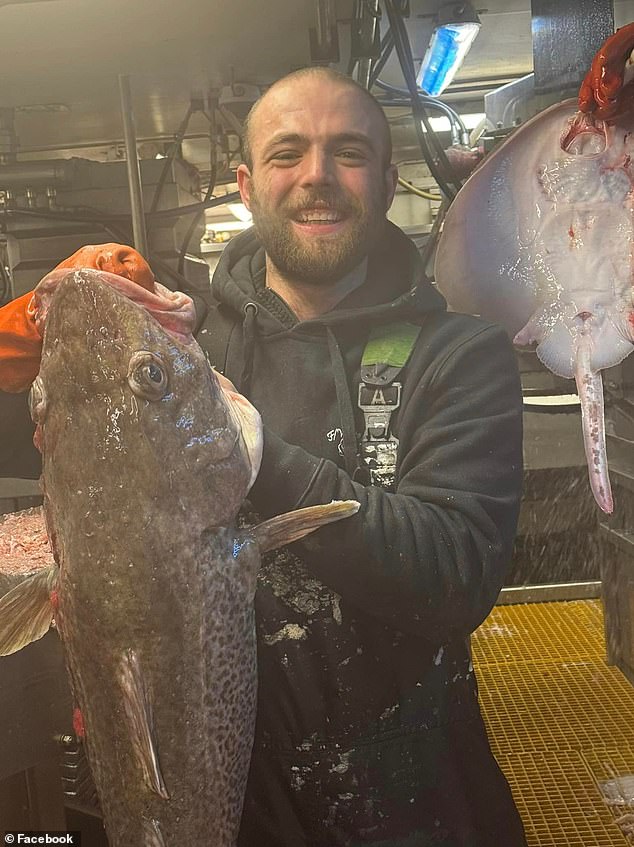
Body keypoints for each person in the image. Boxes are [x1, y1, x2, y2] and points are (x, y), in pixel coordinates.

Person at [0, 68, 527, 846]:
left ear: (388, 178)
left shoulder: (461, 356)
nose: (317, 176)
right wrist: (24, 366)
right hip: (218, 805)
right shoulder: (183, 347)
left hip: (413, 804)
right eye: (288, 153)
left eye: (347, 151)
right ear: (246, 183)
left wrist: (253, 454)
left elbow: (455, 575)